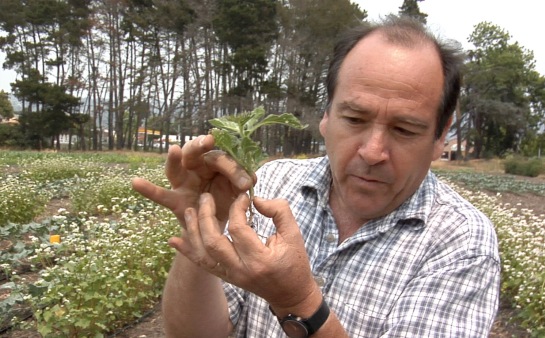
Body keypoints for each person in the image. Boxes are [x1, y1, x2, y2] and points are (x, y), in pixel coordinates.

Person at [133, 16, 500, 338]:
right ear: (326, 116)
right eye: (355, 119)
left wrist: (298, 303)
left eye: (404, 129)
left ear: (441, 136)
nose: (373, 152)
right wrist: (202, 224)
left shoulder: (461, 243)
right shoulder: (271, 183)